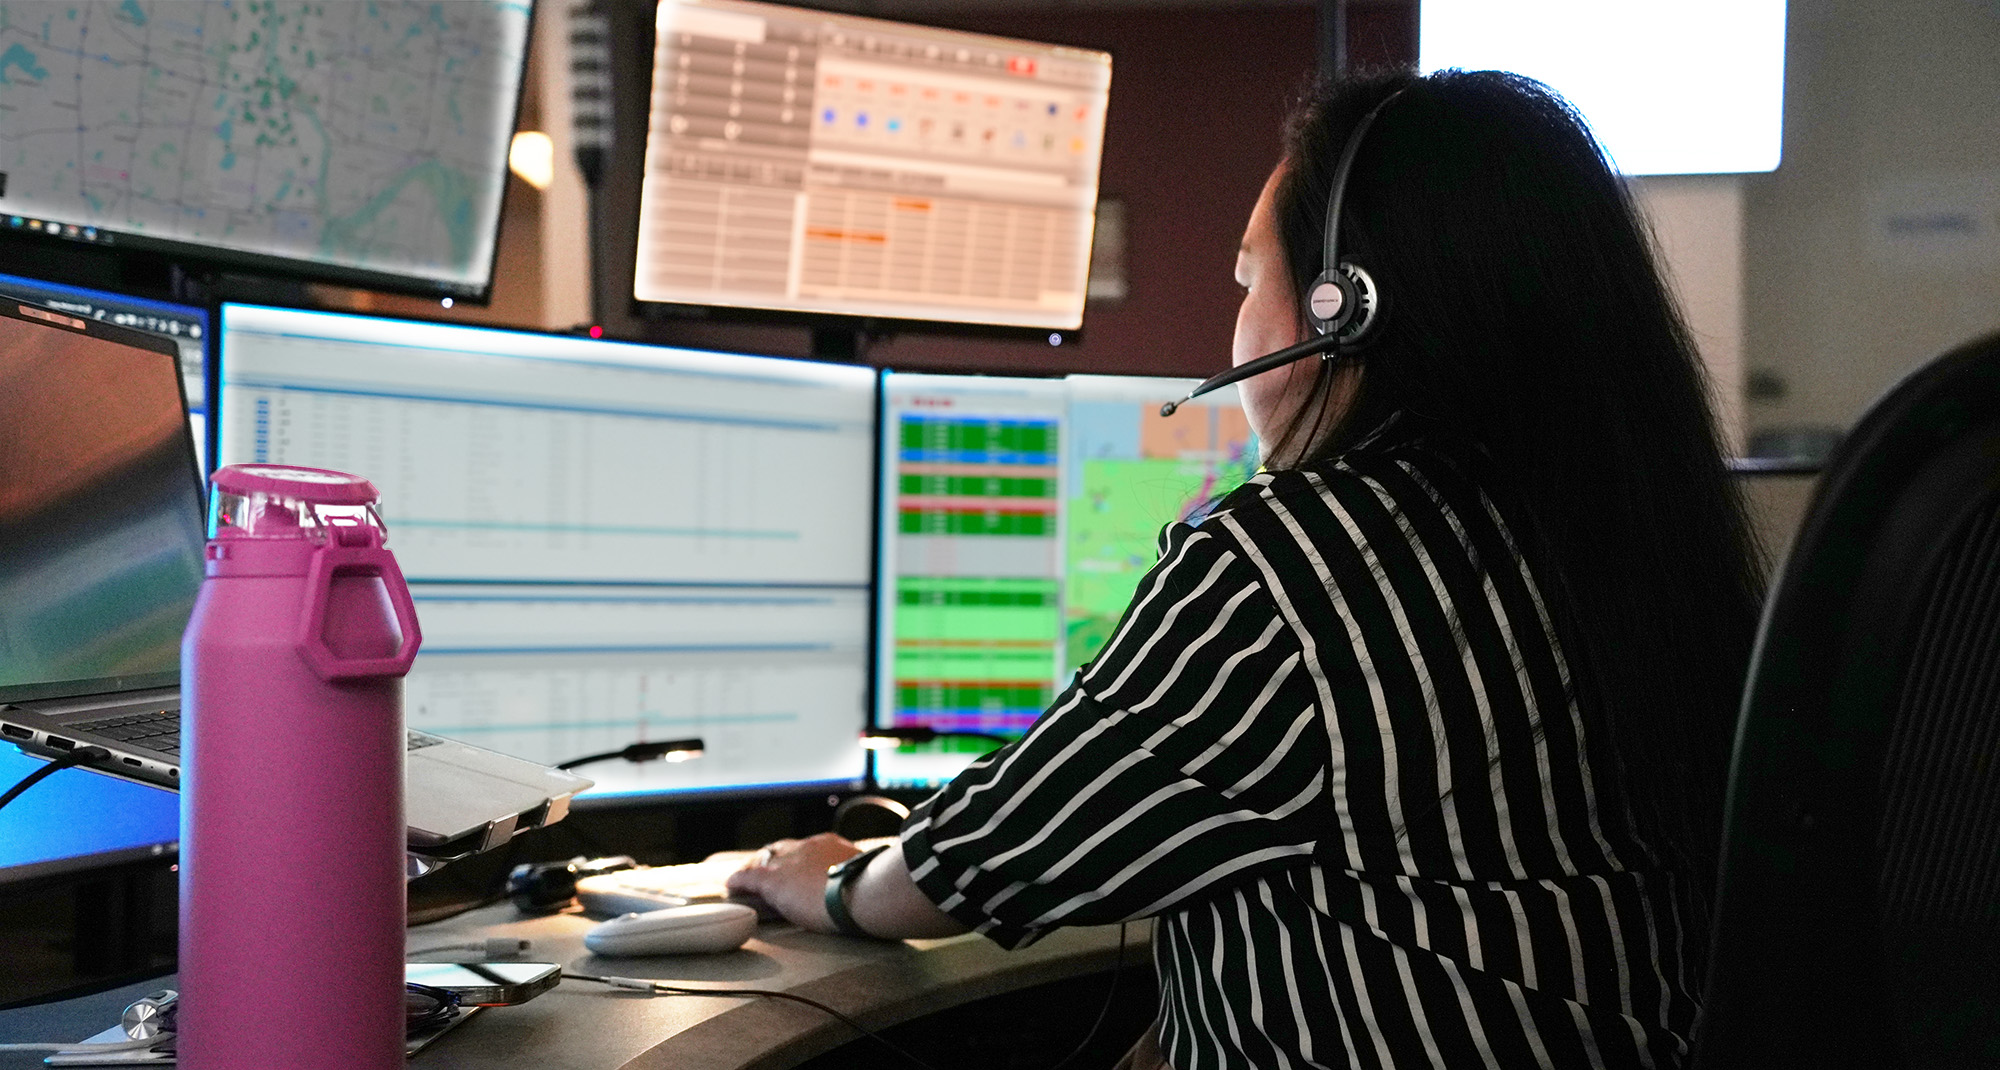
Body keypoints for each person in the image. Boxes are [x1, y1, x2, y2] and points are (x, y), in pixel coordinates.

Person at [728, 68, 1766, 1070]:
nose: (1232, 329)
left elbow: (989, 854)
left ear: (1340, 308)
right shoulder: (1606, 526)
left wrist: (835, 882)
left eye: (1245, 280)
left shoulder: (1297, 565)